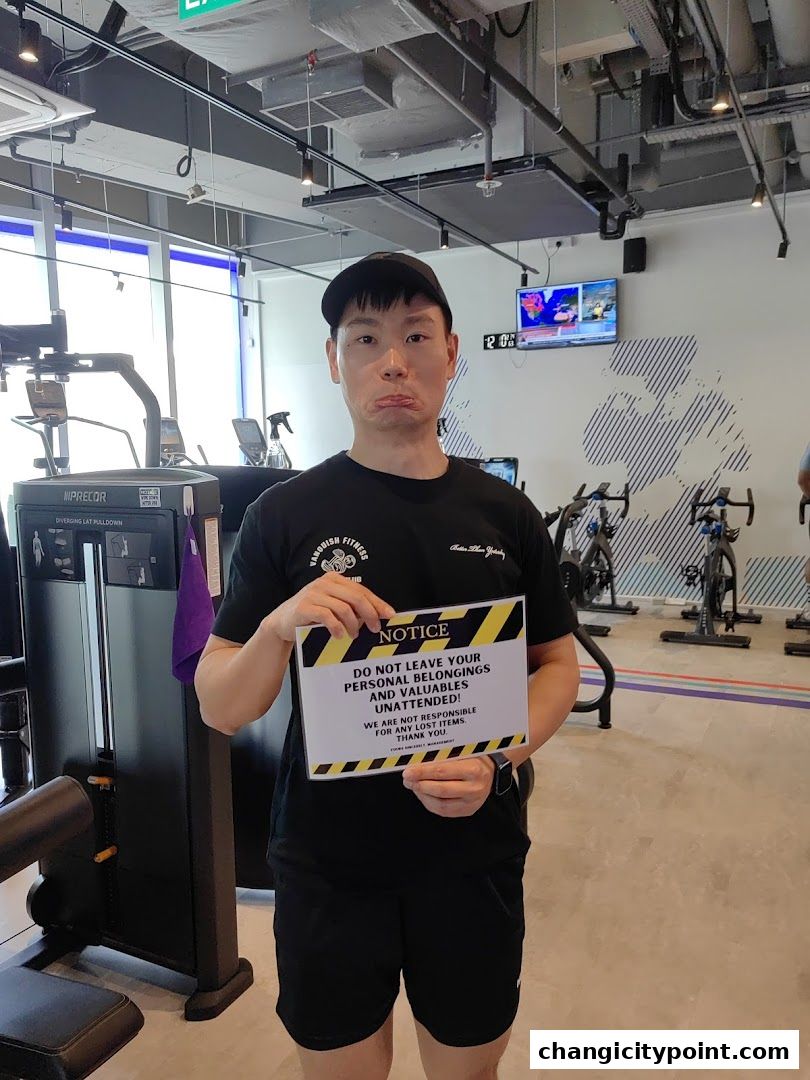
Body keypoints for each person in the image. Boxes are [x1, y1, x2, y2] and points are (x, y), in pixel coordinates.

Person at [195, 252, 580, 1080]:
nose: (393, 359)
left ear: (452, 353)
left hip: (472, 855)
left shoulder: (506, 513)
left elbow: (556, 664)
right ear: (336, 361)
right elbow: (220, 707)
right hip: (330, 865)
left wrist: (501, 753)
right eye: (365, 338)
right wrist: (274, 629)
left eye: (415, 335)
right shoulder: (282, 517)